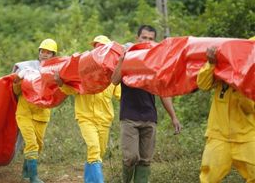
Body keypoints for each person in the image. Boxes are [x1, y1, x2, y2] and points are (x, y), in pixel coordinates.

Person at [111, 25, 182, 183]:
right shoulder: (128, 57)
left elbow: (163, 92)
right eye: (144, 37)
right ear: (137, 39)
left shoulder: (156, 63)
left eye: (150, 38)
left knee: (145, 160)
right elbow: (114, 81)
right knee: (130, 157)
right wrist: (122, 60)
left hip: (149, 117)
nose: (147, 41)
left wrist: (174, 117)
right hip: (129, 116)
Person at [54, 35, 120, 183]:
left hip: (105, 120)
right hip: (85, 117)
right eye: (96, 47)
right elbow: (70, 89)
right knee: (94, 149)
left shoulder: (112, 76)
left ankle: (89, 180)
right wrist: (60, 83)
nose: (98, 49)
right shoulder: (82, 70)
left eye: (102, 47)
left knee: (99, 153)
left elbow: (121, 95)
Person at [197, 44, 255, 182]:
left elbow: (249, 109)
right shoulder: (223, 69)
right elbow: (203, 84)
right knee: (209, 178)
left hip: (247, 136)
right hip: (218, 135)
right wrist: (211, 64)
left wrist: (242, 86)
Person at [13, 39, 57, 183]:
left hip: (42, 114)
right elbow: (15, 90)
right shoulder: (26, 68)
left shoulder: (54, 71)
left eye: (48, 52)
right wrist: (18, 80)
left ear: (53, 55)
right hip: (24, 112)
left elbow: (57, 93)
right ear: (38, 53)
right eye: (42, 51)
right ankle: (33, 177)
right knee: (31, 143)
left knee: (38, 146)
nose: (44, 54)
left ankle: (26, 172)